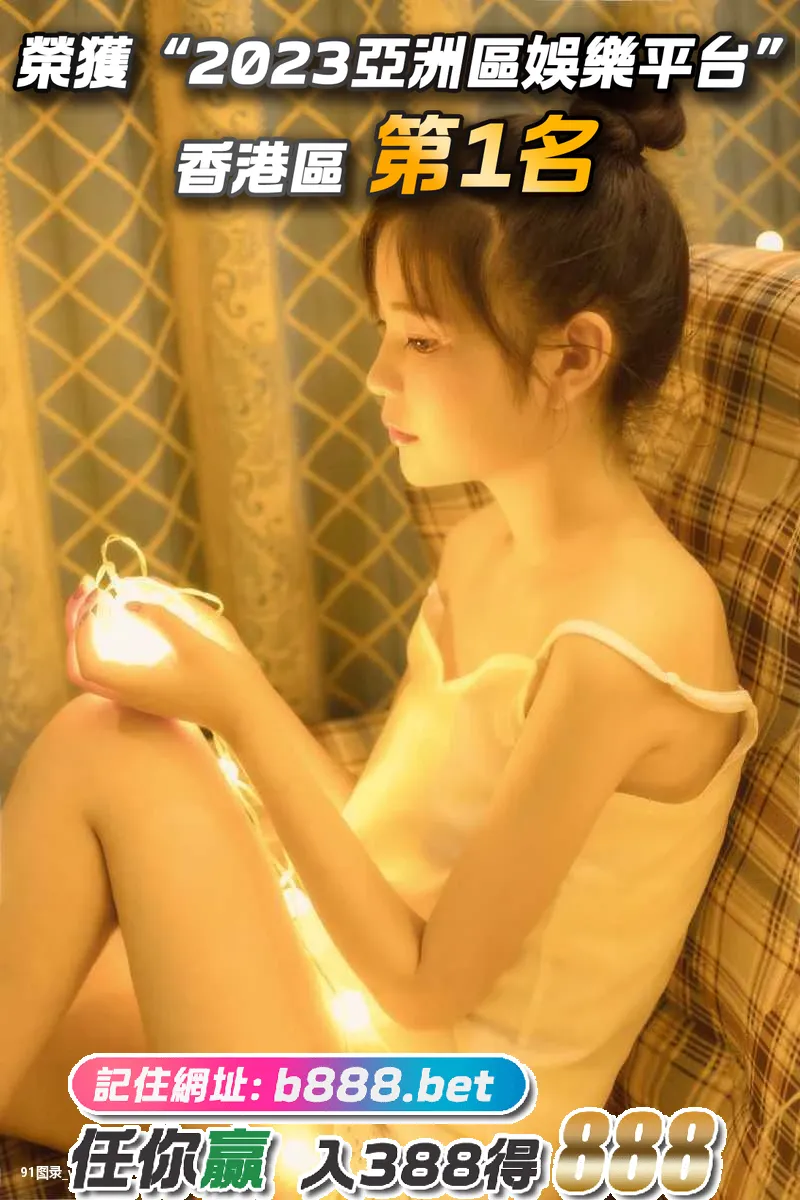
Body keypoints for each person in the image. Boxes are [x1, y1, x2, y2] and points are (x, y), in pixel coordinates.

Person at [0, 81, 759, 1199]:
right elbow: (384, 845)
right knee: (36, 985)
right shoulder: (484, 547)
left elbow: (427, 987)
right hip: (343, 1031)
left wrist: (239, 705)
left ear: (572, 357)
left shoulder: (624, 644)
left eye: (422, 338)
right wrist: (223, 705)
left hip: (446, 1134)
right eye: (383, 330)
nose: (379, 374)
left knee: (103, 746)